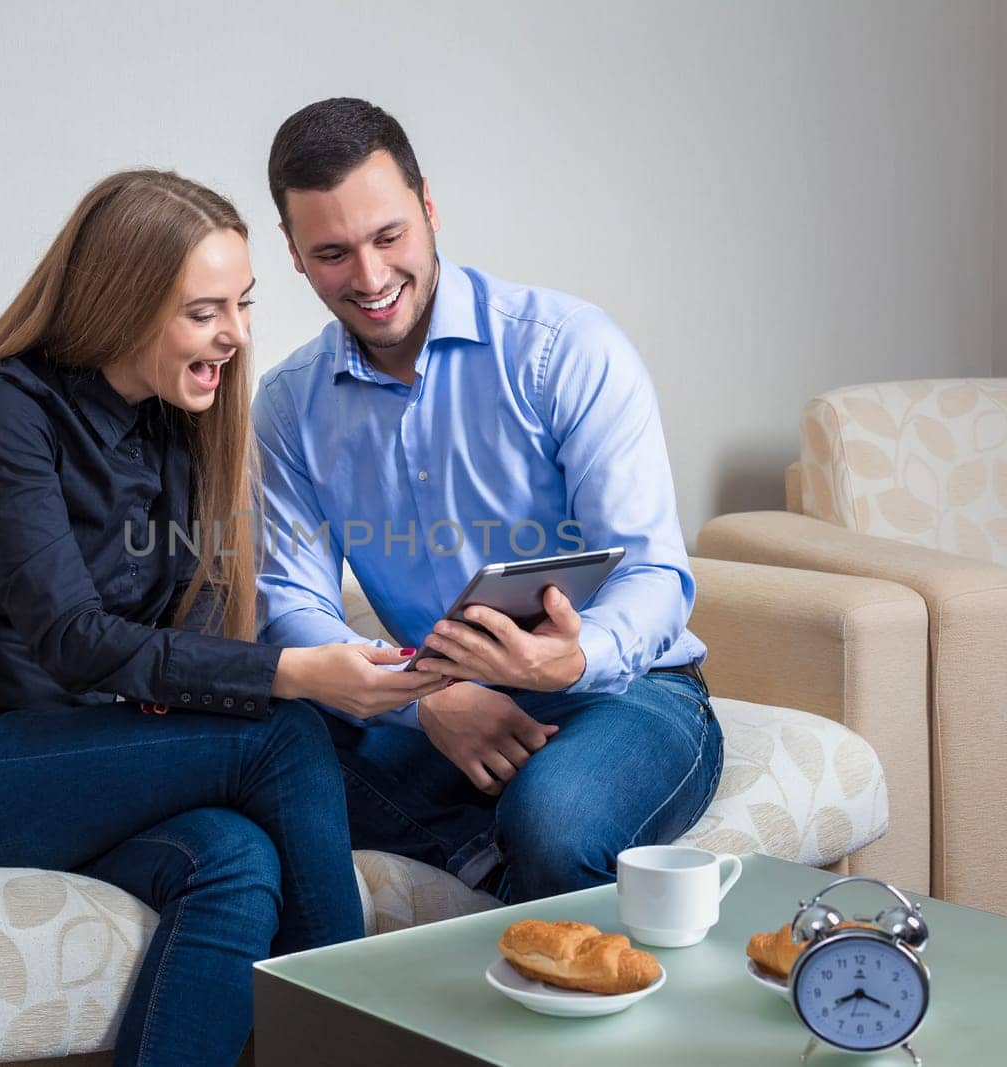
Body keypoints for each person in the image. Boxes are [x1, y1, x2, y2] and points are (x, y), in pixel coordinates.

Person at [0, 169, 445, 1067]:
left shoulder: (179, 421)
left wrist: (337, 662)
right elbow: (71, 637)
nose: (239, 335)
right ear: (125, 302)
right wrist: (294, 673)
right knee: (283, 733)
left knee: (236, 862)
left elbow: (190, 644)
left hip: (85, 764)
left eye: (242, 304)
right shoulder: (5, 409)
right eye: (206, 311)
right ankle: (359, 1046)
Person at [254, 99, 724, 905]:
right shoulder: (290, 403)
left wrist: (570, 658)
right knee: (253, 748)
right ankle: (492, 858)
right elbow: (292, 605)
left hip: (625, 690)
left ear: (429, 207)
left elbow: (652, 572)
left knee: (555, 822)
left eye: (389, 236)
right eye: (332, 252)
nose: (369, 279)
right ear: (295, 255)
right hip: (436, 703)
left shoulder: (567, 348)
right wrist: (429, 694)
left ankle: (509, 848)